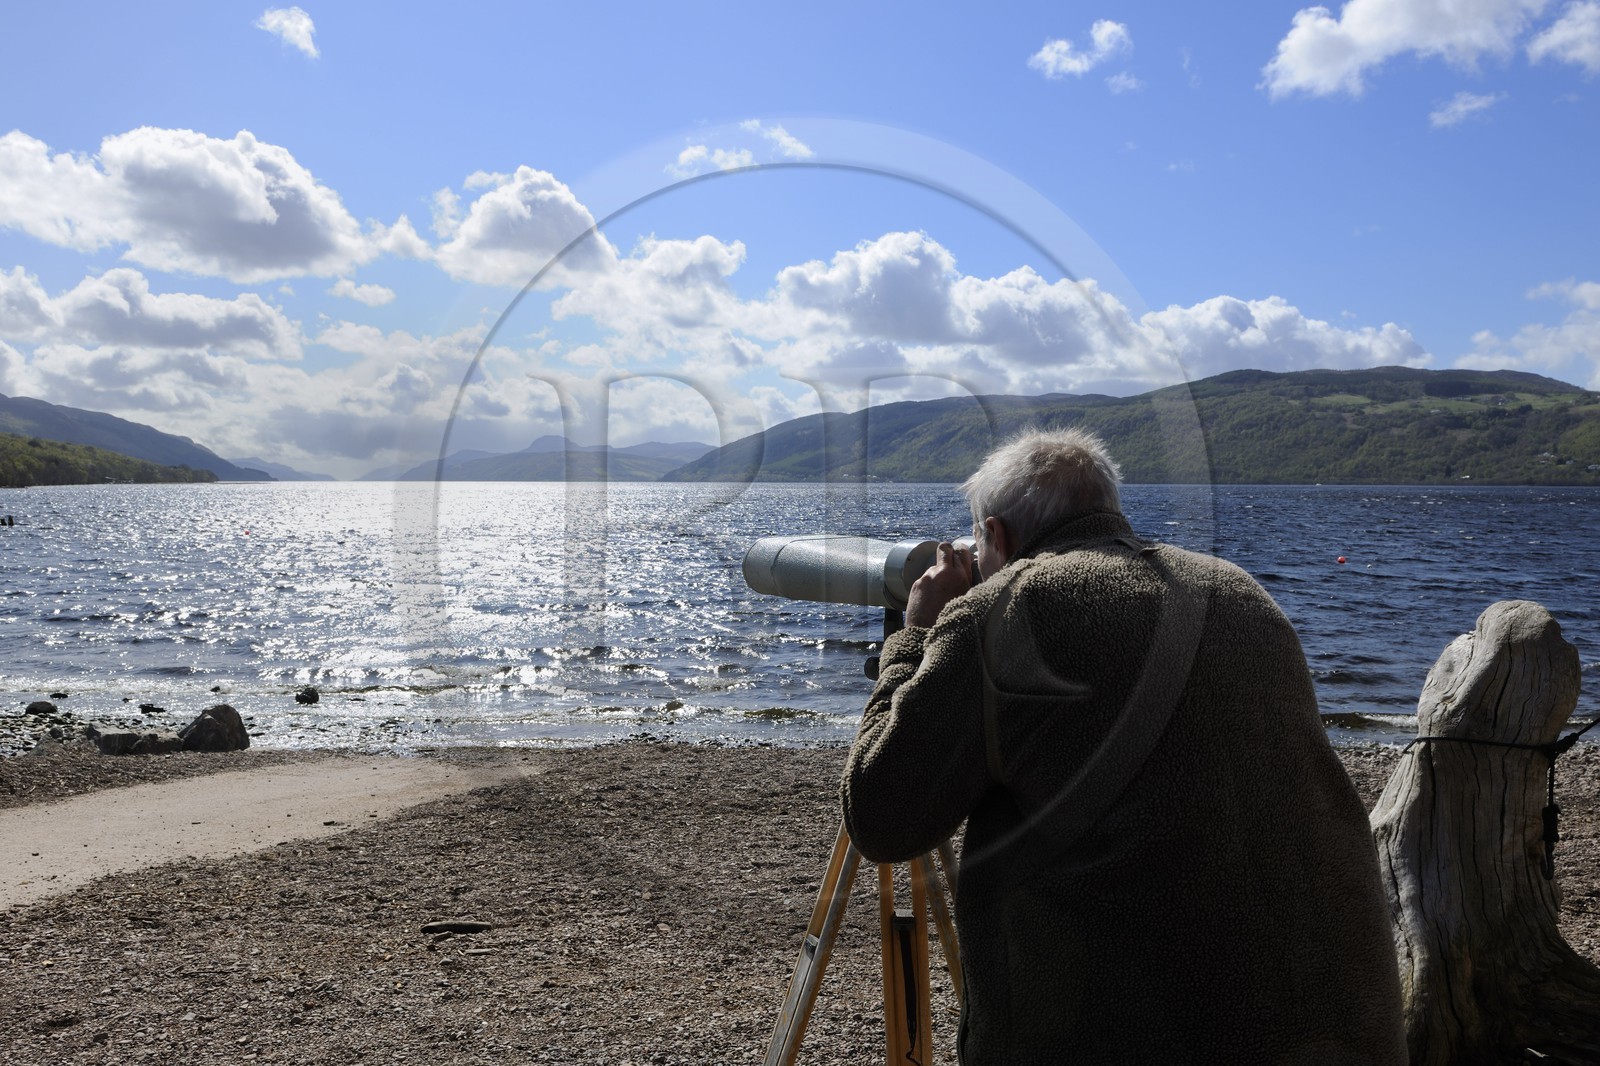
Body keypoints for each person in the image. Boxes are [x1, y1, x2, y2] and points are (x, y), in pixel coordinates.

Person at [841, 427, 1406, 1064]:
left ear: (995, 535)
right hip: (1346, 1022)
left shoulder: (1004, 610)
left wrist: (918, 634)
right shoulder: (1238, 590)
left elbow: (881, 816)